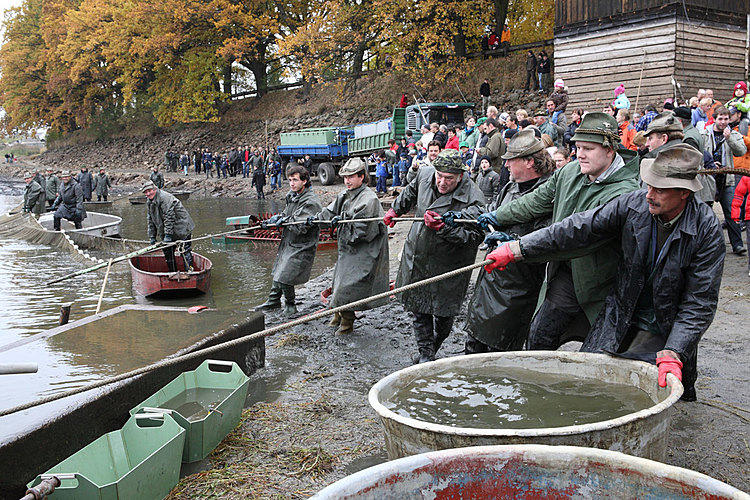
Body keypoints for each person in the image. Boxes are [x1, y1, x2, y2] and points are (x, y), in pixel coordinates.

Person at [484, 144, 724, 401]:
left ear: (684, 193)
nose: (649, 194)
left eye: (660, 189)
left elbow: (699, 302)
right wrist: (518, 248)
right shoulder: (634, 204)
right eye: (649, 185)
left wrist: (675, 350)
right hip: (622, 308)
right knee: (593, 377)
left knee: (655, 392)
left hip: (667, 320)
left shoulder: (706, 231)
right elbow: (578, 228)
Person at [473, 112, 640, 351]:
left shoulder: (625, 193)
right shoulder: (569, 172)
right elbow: (535, 201)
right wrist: (498, 216)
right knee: (539, 337)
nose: (580, 154)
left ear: (610, 149)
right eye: (578, 147)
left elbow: (576, 236)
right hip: (566, 275)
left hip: (604, 285)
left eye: (589, 149)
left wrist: (516, 247)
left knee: (600, 354)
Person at [449, 130, 555, 353]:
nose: (505, 166)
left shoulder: (548, 194)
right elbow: (489, 213)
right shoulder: (510, 188)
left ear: (528, 162)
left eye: (510, 161)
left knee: (502, 348)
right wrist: (459, 218)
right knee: (473, 343)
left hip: (518, 286)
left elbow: (547, 236)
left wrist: (512, 241)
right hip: (490, 278)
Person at [384, 149, 485, 363]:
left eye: (448, 178)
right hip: (418, 255)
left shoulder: (474, 200)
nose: (442, 182)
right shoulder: (425, 174)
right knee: (418, 308)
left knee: (444, 313)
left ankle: (436, 343)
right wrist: (395, 210)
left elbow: (474, 238)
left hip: (448, 265)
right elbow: (410, 191)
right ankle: (426, 355)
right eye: (439, 176)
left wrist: (444, 228)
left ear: (461, 176)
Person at [308, 158, 389, 335]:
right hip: (347, 250)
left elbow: (362, 232)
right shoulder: (345, 195)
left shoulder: (369, 199)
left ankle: (347, 324)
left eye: (351, 177)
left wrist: (343, 221)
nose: (347, 181)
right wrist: (315, 220)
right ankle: (337, 315)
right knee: (338, 281)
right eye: (345, 177)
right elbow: (330, 212)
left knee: (348, 286)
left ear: (362, 177)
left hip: (364, 251)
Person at [256, 166, 323, 314]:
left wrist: (285, 220)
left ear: (304, 181)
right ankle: (273, 301)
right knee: (280, 269)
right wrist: (275, 220)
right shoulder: (291, 195)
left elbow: (299, 224)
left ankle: (290, 305)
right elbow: (286, 213)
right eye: (290, 180)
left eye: (295, 180)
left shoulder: (311, 201)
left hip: (303, 243)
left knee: (284, 275)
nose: (291, 183)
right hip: (290, 241)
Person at [703, 106, 748, 255]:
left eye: (726, 119)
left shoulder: (733, 134)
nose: (723, 122)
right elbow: (699, 152)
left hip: (727, 178)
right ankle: (708, 245)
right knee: (706, 212)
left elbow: (741, 151)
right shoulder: (705, 133)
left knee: (731, 213)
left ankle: (737, 245)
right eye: (720, 119)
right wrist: (709, 163)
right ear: (715, 119)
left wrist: (729, 139)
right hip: (709, 178)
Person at [143, 180, 195, 272]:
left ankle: (190, 273)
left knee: (185, 251)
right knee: (167, 252)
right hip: (167, 229)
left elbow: (169, 217)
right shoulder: (149, 201)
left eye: (149, 190)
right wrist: (152, 236)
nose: (148, 193)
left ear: (155, 189)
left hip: (182, 226)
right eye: (146, 192)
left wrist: (167, 235)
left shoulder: (165, 198)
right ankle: (173, 273)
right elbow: (150, 219)